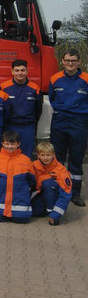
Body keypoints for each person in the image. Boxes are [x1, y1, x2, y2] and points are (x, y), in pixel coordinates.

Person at [49, 49, 88, 206]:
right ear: (63, 62)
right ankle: (59, 189)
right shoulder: (55, 78)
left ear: (79, 62)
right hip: (59, 121)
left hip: (79, 122)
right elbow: (52, 98)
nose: (70, 63)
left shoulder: (86, 79)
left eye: (73, 60)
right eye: (67, 60)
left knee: (76, 159)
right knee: (57, 158)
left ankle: (75, 193)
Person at [0, 130, 35, 223]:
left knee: (21, 219)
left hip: (20, 204)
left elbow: (32, 181)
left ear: (18, 144)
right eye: (7, 143)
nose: (10, 146)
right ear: (2, 144)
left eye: (13, 144)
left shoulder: (26, 161)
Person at [0, 59, 42, 158]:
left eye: (23, 70)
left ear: (27, 71)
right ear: (12, 71)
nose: (20, 73)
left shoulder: (35, 88)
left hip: (27, 127)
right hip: (10, 127)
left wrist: (32, 123)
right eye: (17, 70)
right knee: (8, 155)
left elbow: (38, 110)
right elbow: (1, 109)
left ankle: (25, 173)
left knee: (26, 156)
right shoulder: (3, 87)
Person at [31, 141, 72, 226]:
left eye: (48, 155)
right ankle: (45, 208)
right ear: (38, 155)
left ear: (53, 155)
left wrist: (55, 214)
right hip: (40, 194)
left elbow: (66, 193)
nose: (45, 158)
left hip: (53, 195)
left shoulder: (60, 170)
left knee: (48, 183)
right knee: (34, 212)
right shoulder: (33, 166)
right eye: (43, 155)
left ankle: (53, 212)